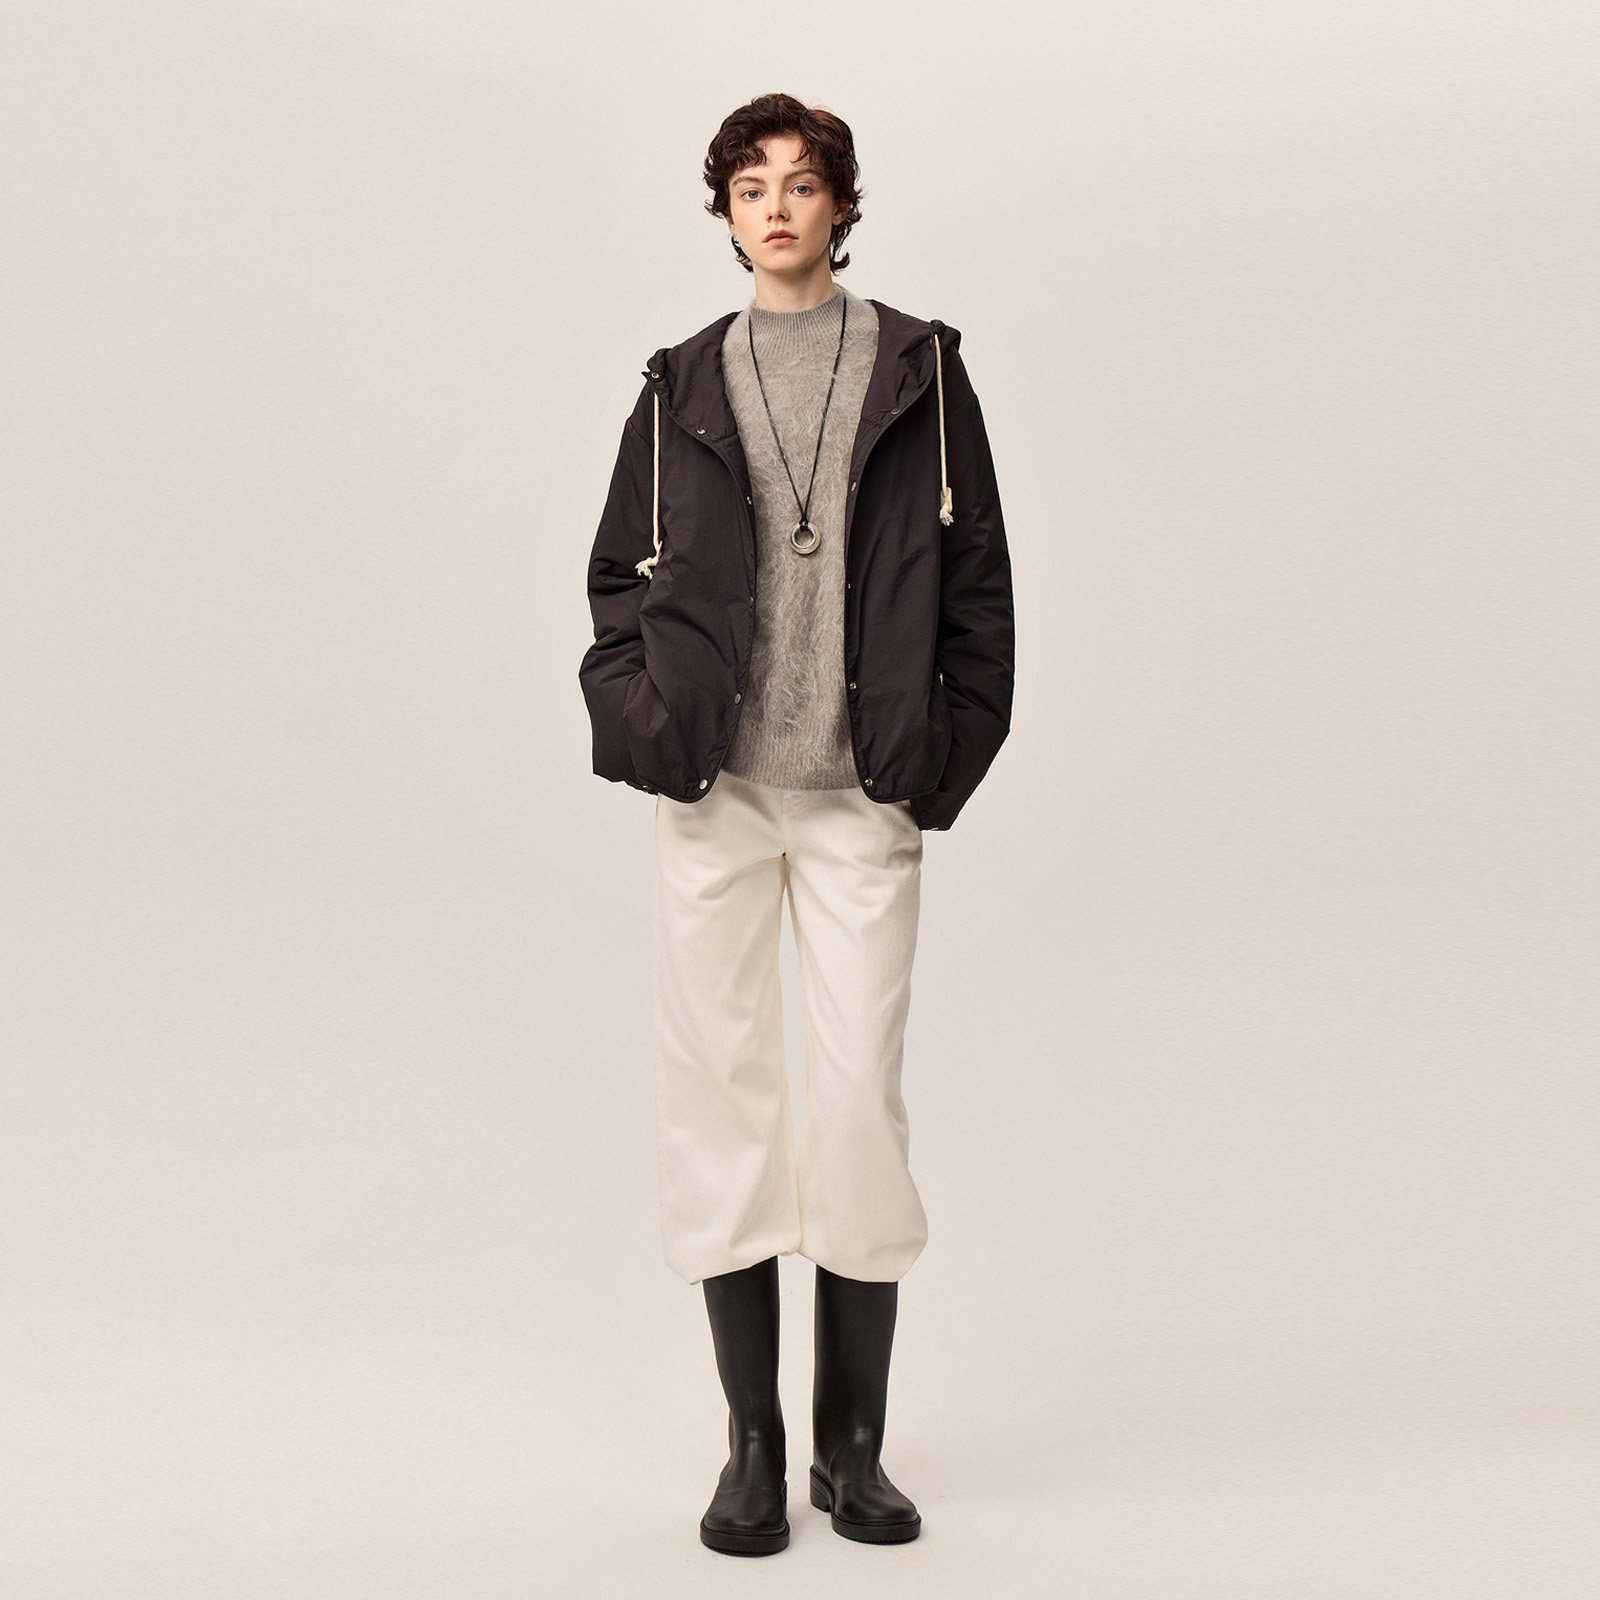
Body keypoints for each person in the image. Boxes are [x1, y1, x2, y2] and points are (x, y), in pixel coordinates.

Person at [578, 92, 1015, 1555]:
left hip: (858, 789)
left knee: (855, 1102)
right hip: (716, 791)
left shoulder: (919, 370)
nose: (777, 206)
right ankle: (753, 1445)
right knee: (719, 1097)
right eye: (752, 186)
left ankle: (854, 1446)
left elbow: (978, 584)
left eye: (803, 183)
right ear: (726, 214)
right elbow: (618, 583)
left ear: (841, 204)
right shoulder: (679, 383)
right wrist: (645, 725)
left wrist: (937, 759)